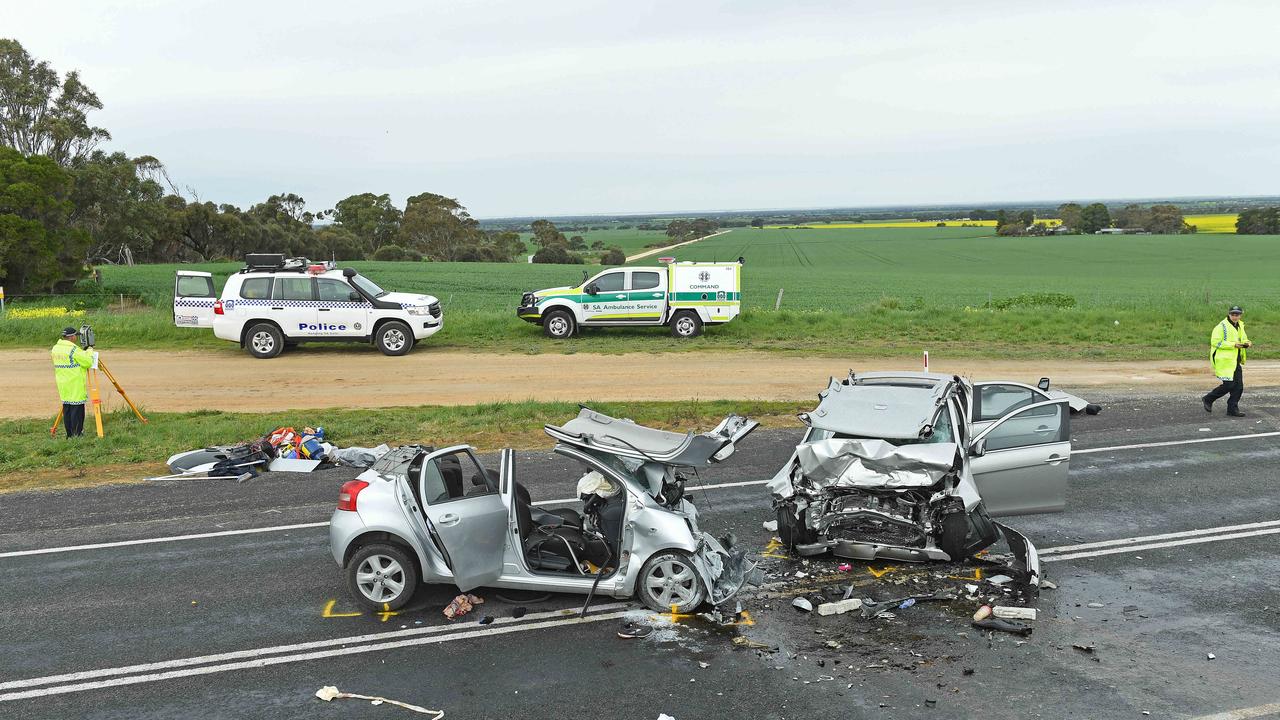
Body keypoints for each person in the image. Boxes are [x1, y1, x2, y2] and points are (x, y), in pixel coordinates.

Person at [1202, 305, 1251, 417]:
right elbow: (1215, 342)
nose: (1235, 316)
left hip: (1235, 360)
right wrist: (1233, 345)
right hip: (1224, 361)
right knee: (1229, 385)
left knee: (1238, 386)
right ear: (1229, 314)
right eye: (1233, 314)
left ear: (1240, 315)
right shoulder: (1221, 326)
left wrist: (1247, 342)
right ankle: (1208, 399)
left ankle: (1232, 409)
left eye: (1237, 314)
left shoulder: (1240, 325)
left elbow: (1243, 338)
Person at [50, 327, 97, 437]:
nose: (76, 337)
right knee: (77, 409)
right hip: (74, 383)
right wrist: (89, 349)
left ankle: (69, 434)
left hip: (62, 383)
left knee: (67, 408)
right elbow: (88, 362)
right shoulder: (73, 349)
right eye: (76, 336)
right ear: (71, 337)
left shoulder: (56, 348)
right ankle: (77, 434)